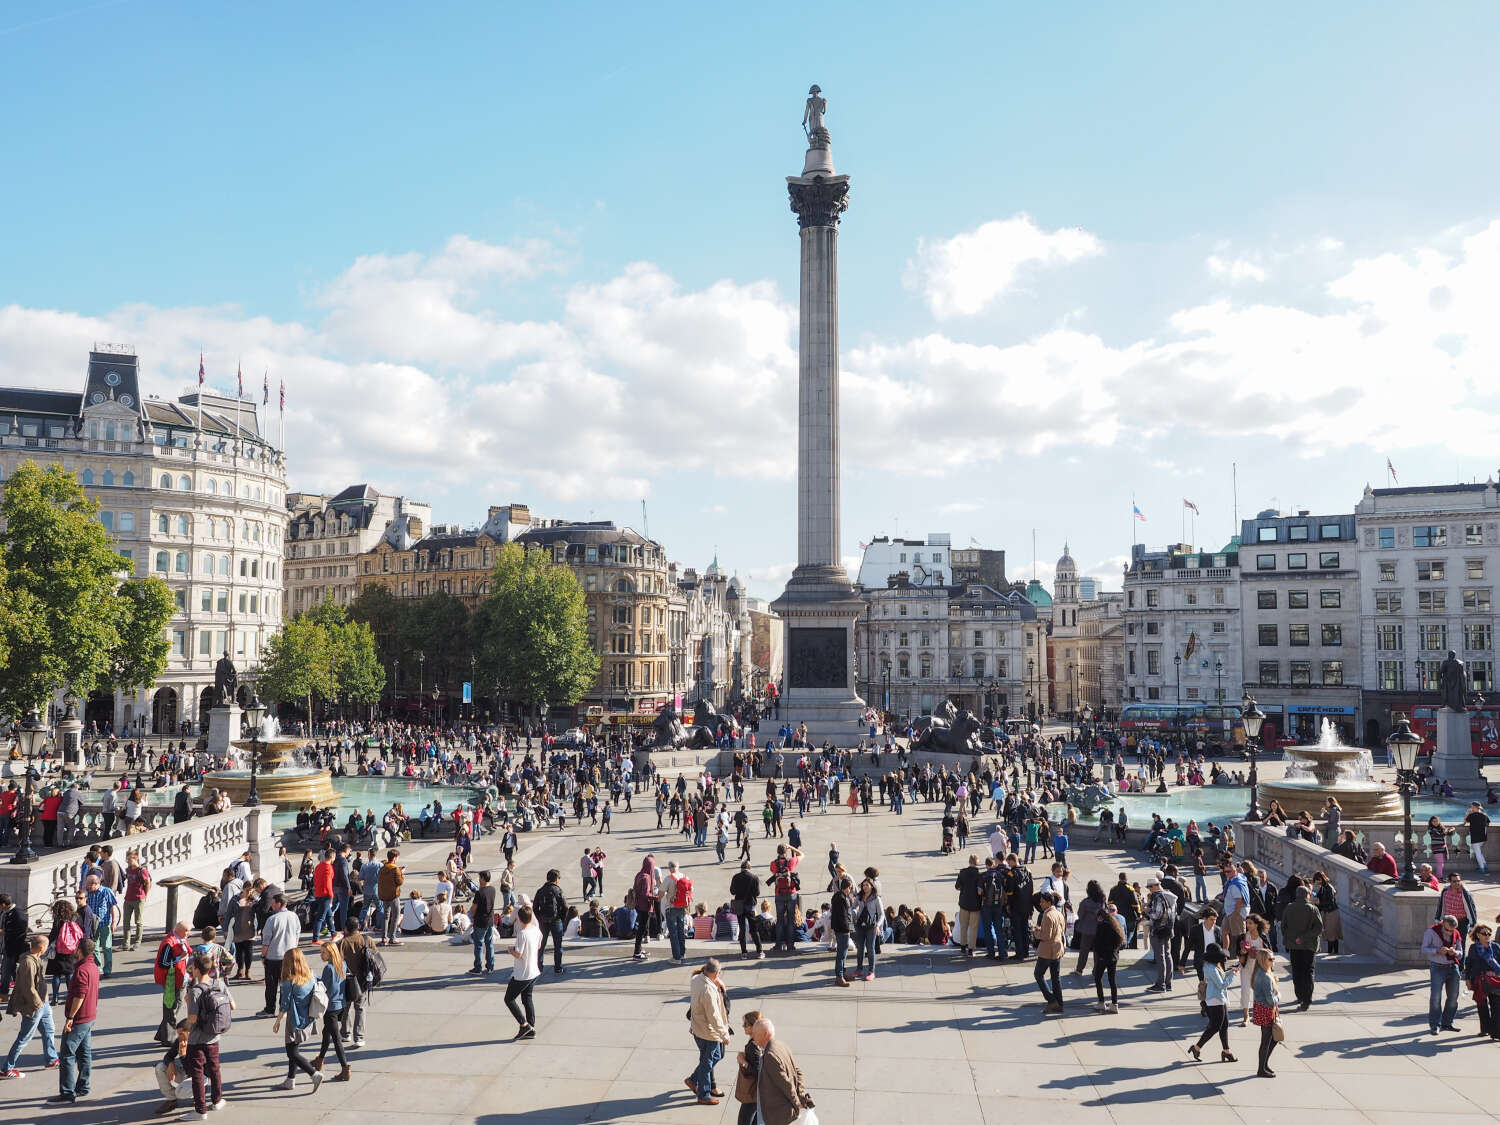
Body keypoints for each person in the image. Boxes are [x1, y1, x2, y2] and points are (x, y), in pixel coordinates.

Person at [184, 951, 232, 1119]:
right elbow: (232, 1005)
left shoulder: (195, 991)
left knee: (197, 1072)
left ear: (196, 970)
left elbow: (192, 1018)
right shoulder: (219, 984)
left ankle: (200, 1110)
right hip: (214, 1035)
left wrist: (188, 1004)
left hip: (197, 1038)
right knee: (214, 1068)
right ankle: (217, 1100)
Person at [2, 933, 57, 1078]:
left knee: (49, 1031)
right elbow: (28, 987)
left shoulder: (36, 958)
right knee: (24, 1037)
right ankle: (7, 1068)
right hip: (34, 1006)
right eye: (46, 946)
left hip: (42, 1003)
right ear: (40, 948)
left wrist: (45, 998)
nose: (47, 949)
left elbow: (39, 981)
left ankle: (51, 1059)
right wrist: (39, 1004)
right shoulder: (28, 962)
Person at [54, 937, 99, 1105]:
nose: (73, 951)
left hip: (79, 1019)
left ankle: (67, 1093)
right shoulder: (92, 966)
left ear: (79, 950)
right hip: (89, 1016)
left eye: (75, 948)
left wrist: (70, 1017)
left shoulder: (81, 970)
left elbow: (80, 995)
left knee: (66, 1054)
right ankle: (83, 1087)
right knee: (84, 1052)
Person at [271, 949, 322, 1093]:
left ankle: (314, 1074)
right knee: (295, 1048)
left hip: (294, 1020)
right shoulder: (311, 975)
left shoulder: (289, 981)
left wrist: (278, 1021)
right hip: (307, 1018)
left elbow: (284, 1005)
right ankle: (290, 1079)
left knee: (291, 1052)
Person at [751, 1017, 814, 1125]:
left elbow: (785, 1084)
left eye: (755, 1033)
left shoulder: (770, 1055)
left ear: (765, 1034)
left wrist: (797, 1103)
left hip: (776, 1114)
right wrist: (801, 1093)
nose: (753, 1036)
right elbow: (798, 1072)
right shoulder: (781, 1045)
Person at [687, 958, 731, 1106]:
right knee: (707, 1062)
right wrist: (724, 1035)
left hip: (698, 1028)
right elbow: (714, 1016)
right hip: (708, 1032)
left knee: (714, 1056)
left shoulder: (696, 979)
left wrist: (717, 985)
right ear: (717, 973)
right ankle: (703, 1094)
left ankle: (693, 1080)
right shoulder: (708, 990)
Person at [1187, 945, 1237, 1063]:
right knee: (1215, 1027)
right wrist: (1233, 975)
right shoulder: (1211, 968)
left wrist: (1231, 971)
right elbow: (1222, 985)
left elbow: (1222, 977)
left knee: (1224, 1025)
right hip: (1215, 1000)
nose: (1223, 958)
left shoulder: (1213, 966)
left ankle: (1226, 1051)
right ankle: (1196, 1047)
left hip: (1219, 999)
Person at [312, 942, 350, 1082]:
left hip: (331, 1007)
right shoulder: (342, 964)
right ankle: (320, 1060)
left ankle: (345, 1068)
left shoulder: (328, 968)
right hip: (341, 1004)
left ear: (330, 953)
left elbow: (324, 987)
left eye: (323, 953)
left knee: (336, 1039)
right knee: (326, 1033)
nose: (321, 955)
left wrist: (314, 978)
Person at [259, 894, 301, 1017]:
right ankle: (285, 1009)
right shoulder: (294, 916)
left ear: (279, 903)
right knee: (286, 984)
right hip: (290, 956)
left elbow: (266, 940)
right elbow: (297, 934)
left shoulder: (272, 919)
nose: (271, 905)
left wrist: (263, 955)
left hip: (274, 957)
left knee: (271, 986)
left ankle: (270, 1009)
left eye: (273, 903)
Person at [1281, 885, 1323, 1011]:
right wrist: (1303, 938)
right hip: (1309, 946)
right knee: (1308, 972)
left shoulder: (1289, 908)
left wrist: (1293, 939)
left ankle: (1299, 995)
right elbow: (1319, 928)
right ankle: (1307, 999)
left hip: (1293, 945)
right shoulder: (1313, 909)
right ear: (1307, 895)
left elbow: (1284, 927)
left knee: (1297, 971)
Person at [1422, 913, 1465, 1034]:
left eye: (1452, 930)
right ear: (1442, 924)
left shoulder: (1456, 933)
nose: (1449, 933)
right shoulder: (1431, 932)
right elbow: (1424, 948)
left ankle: (1447, 1023)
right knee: (1436, 997)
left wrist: (1455, 952)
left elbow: (1461, 952)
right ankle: (1435, 1025)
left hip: (1453, 967)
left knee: (1453, 997)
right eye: (1447, 930)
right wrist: (1436, 950)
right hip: (1437, 967)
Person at [154, 921, 193, 1047]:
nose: (189, 933)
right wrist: (179, 958)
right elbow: (163, 963)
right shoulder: (169, 943)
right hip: (172, 981)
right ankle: (169, 1038)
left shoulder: (181, 939)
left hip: (182, 979)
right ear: (179, 931)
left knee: (175, 1007)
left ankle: (163, 1034)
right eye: (187, 931)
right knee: (171, 1008)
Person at [505, 903, 540, 1040]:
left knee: (509, 999)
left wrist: (510, 950)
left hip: (522, 973)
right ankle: (531, 1027)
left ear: (519, 919)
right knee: (527, 998)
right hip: (534, 971)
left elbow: (518, 954)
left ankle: (524, 1024)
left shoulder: (522, 934)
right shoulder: (536, 930)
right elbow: (538, 945)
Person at [336, 920, 372, 1049]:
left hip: (346, 980)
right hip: (362, 979)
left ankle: (346, 1033)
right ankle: (359, 1037)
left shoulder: (341, 943)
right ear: (359, 927)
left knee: (345, 1007)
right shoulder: (366, 940)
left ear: (346, 928)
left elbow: (335, 961)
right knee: (360, 1008)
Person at [1464, 923, 1500, 1039]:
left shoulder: (1495, 947)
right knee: (1482, 1006)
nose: (1487, 936)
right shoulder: (1474, 948)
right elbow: (1468, 964)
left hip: (1494, 980)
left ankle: (1496, 1032)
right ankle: (1485, 1030)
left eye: (1489, 933)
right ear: (1478, 935)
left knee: (1496, 1006)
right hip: (1479, 980)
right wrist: (1467, 979)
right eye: (1484, 933)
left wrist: (1495, 972)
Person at [1032, 891, 1065, 1014]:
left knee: (1038, 974)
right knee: (1055, 978)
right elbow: (1061, 930)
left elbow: (1046, 936)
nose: (1040, 904)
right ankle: (1059, 1004)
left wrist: (1036, 933)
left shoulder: (1047, 915)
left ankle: (1051, 1000)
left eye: (1042, 902)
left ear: (1049, 902)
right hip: (1057, 949)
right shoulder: (1058, 913)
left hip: (1047, 950)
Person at [1250, 947, 1281, 1078]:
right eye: (1270, 959)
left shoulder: (1260, 973)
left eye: (1273, 958)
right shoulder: (1265, 977)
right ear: (1264, 961)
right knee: (1267, 1040)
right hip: (1266, 1009)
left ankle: (1264, 1065)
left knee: (1272, 1039)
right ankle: (1261, 1069)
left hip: (1261, 1008)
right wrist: (1278, 996)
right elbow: (1270, 1000)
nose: (1273, 961)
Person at [1145, 877, 1178, 992]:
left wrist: (1147, 911)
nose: (1149, 890)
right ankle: (1168, 983)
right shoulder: (1169, 895)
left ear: (1154, 886)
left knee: (1160, 956)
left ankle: (1160, 984)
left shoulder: (1158, 897)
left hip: (1158, 931)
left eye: (1149, 887)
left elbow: (1157, 915)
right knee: (1168, 955)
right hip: (1168, 929)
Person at [769, 844, 803, 954]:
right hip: (791, 893)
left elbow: (773, 873)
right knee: (790, 920)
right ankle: (790, 945)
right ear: (786, 851)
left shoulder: (774, 864)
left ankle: (778, 945)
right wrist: (791, 847)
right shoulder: (791, 862)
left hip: (779, 893)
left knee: (779, 920)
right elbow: (802, 854)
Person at [1092, 903, 1125, 1013]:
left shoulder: (1102, 926)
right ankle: (1114, 1004)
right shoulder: (1115, 925)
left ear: (1100, 917)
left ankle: (1101, 1002)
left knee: (1097, 978)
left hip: (1103, 956)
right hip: (1113, 956)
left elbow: (1097, 943)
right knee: (1112, 981)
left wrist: (1099, 954)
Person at [533, 869, 567, 975]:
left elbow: (535, 907)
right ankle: (558, 967)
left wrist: (539, 918)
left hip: (543, 921)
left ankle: (539, 967)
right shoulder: (558, 890)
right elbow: (565, 906)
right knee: (558, 945)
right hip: (556, 921)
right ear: (556, 879)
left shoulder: (540, 890)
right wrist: (561, 918)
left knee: (541, 945)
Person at [729, 860, 764, 961]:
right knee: (753, 929)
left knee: (742, 929)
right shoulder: (754, 877)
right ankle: (759, 951)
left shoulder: (736, 877)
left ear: (741, 867)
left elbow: (732, 891)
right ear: (749, 868)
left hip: (739, 905)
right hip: (750, 904)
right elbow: (757, 893)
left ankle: (744, 953)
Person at [733, 1008, 763, 1125]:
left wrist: (743, 1062)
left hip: (753, 1092)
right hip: (759, 1092)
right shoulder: (760, 1041)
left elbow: (757, 1071)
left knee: (744, 1121)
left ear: (753, 1026)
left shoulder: (753, 1046)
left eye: (745, 1024)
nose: (743, 1026)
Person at [468, 870, 497, 974]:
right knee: (489, 943)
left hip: (480, 921)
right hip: (490, 921)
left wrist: (473, 916)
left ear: (484, 879)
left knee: (479, 944)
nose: (479, 880)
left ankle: (478, 967)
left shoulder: (479, 893)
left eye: (480, 878)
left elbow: (473, 908)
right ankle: (490, 966)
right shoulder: (493, 889)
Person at [632, 856, 658, 962]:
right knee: (641, 929)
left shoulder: (639, 874)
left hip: (638, 905)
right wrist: (657, 897)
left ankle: (639, 949)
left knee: (641, 929)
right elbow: (645, 894)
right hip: (645, 906)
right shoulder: (647, 878)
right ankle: (637, 953)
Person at [377, 850, 405, 946]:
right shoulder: (395, 869)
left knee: (386, 916)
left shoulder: (383, 868)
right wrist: (401, 872)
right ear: (394, 858)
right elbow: (399, 882)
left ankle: (384, 938)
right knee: (396, 916)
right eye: (397, 857)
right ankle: (392, 938)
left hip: (384, 896)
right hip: (393, 895)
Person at [830, 876, 854, 985]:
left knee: (842, 953)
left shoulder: (837, 896)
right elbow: (843, 916)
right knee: (841, 954)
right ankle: (839, 977)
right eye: (851, 888)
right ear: (848, 887)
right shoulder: (842, 898)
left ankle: (843, 973)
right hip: (843, 930)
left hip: (838, 929)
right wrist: (846, 929)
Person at [1464, 802, 1490, 874]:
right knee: (1479, 851)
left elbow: (1464, 822)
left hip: (1475, 836)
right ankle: (1484, 865)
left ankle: (1482, 868)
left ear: (1475, 807)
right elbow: (1488, 823)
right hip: (1483, 836)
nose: (1471, 808)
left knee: (1477, 852)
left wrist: (1468, 813)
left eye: (1472, 807)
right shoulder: (1484, 815)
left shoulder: (1471, 815)